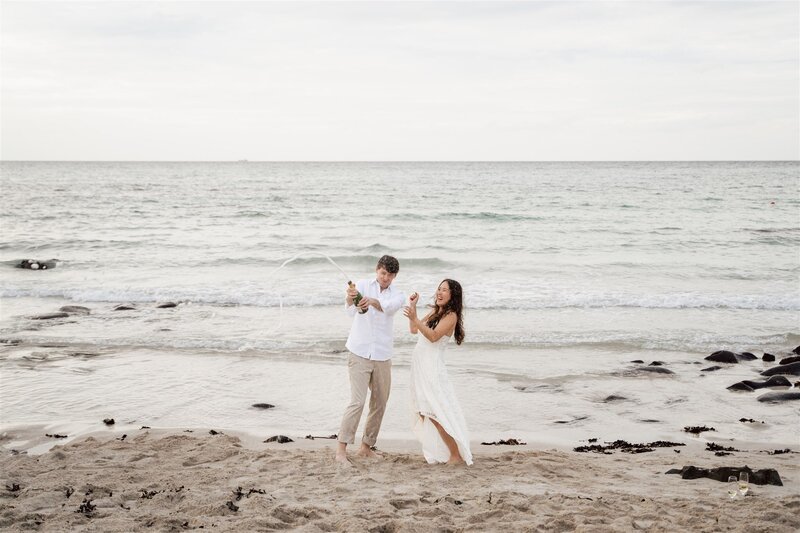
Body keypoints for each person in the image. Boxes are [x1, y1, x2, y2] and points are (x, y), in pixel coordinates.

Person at [335, 255, 406, 465]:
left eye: (390, 275)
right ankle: (341, 450)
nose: (386, 278)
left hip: (383, 355)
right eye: (383, 273)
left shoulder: (398, 295)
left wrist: (372, 301)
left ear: (394, 276)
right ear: (377, 270)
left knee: (380, 403)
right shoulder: (363, 285)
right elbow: (349, 310)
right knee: (357, 402)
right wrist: (351, 297)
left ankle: (366, 447)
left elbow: (390, 307)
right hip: (359, 351)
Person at [404, 279, 473, 465]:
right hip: (420, 365)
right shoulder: (436, 312)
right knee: (424, 412)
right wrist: (413, 307)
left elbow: (433, 337)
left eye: (444, 290)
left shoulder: (451, 316)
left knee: (435, 412)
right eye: (439, 289)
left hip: (432, 367)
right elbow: (413, 329)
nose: (439, 293)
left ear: (453, 295)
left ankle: (455, 455)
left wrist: (416, 319)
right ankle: (443, 451)